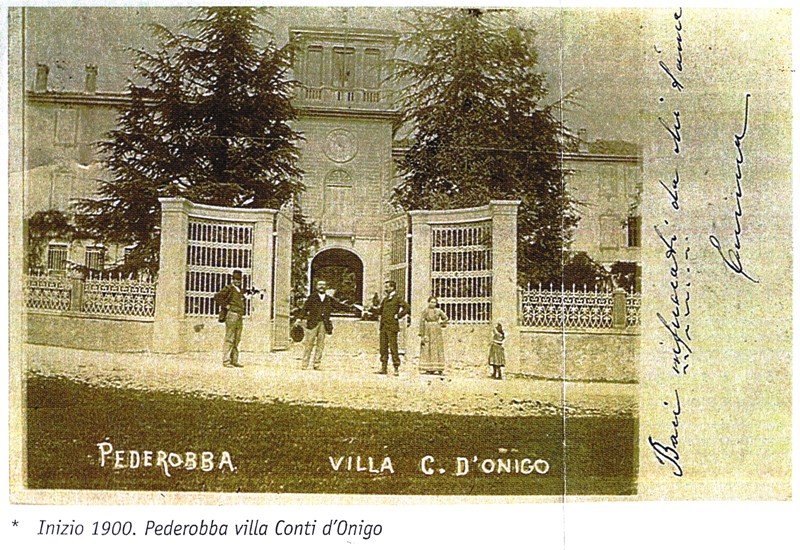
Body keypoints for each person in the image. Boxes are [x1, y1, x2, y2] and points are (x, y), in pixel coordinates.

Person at [294, 280, 338, 370]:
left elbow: (339, 305)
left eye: (323, 285)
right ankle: (305, 364)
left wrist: (353, 307)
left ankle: (316, 364)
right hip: (312, 323)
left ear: (326, 287)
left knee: (320, 344)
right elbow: (305, 308)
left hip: (324, 324)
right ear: (316, 286)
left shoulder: (329, 299)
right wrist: (299, 318)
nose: (321, 286)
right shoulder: (312, 298)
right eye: (320, 285)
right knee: (309, 343)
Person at [371, 280, 410, 376]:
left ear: (392, 288)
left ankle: (396, 368)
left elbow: (407, 308)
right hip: (383, 326)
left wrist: (398, 316)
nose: (386, 289)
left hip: (392, 326)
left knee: (393, 348)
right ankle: (383, 368)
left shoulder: (397, 298)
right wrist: (371, 309)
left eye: (387, 287)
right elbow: (380, 311)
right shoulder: (385, 299)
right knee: (383, 348)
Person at [214, 270, 246, 369]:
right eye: (236, 279)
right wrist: (226, 305)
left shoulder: (240, 290)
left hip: (239, 315)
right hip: (232, 315)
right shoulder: (229, 288)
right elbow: (217, 297)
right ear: (232, 279)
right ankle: (226, 361)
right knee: (230, 338)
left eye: (239, 279)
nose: (238, 281)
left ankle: (234, 360)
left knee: (237, 339)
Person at [418, 296, 448, 375]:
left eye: (434, 302)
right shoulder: (425, 311)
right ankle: (429, 368)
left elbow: (445, 318)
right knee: (428, 347)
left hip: (437, 330)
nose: (433, 304)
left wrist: (441, 324)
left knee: (437, 348)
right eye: (431, 302)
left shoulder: (438, 311)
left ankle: (439, 368)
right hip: (427, 330)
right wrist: (422, 334)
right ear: (428, 302)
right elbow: (421, 322)